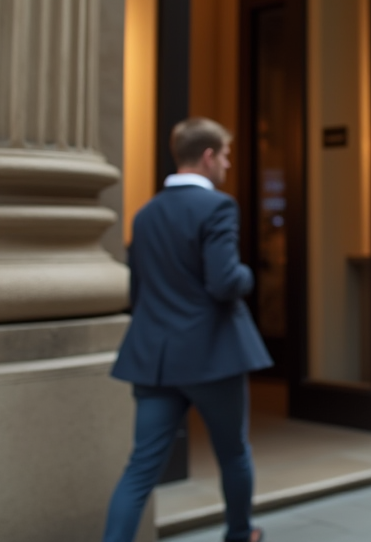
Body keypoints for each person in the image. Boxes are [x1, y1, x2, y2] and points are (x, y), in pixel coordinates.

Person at [104, 118, 271, 542]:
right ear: (209, 156)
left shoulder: (145, 215)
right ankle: (239, 534)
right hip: (212, 356)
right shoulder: (218, 207)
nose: (228, 166)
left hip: (156, 360)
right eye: (227, 156)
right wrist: (250, 275)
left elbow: (138, 292)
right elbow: (224, 282)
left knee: (141, 467)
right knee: (233, 453)